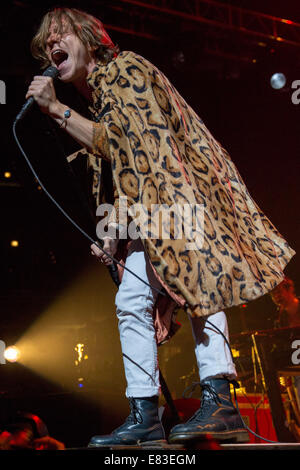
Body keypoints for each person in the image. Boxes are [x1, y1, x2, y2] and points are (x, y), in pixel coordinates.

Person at [26, 7, 295, 447]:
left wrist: (56, 109)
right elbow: (123, 169)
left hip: (179, 196)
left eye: (62, 34)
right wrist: (113, 233)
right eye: (46, 40)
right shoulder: (99, 92)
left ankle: (219, 401)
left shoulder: (126, 69)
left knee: (197, 288)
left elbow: (127, 146)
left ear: (90, 38)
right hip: (155, 205)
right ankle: (145, 413)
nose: (53, 43)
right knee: (135, 299)